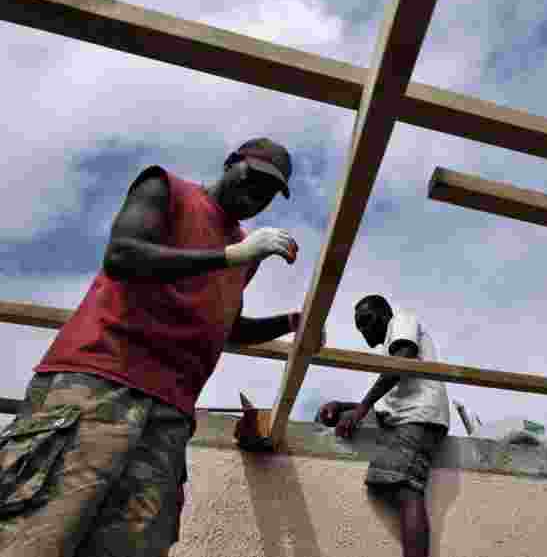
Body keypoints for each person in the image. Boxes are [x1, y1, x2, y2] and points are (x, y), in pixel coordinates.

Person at [0, 138, 316, 557]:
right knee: (35, 533)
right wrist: (229, 254)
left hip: (168, 416)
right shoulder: (166, 190)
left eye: (270, 190)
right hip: (99, 385)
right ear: (230, 164)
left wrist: (291, 324)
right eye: (253, 177)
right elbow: (123, 255)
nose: (257, 193)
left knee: (131, 547)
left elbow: (226, 327)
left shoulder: (244, 255)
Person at [317, 295, 450, 557]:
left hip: (419, 418)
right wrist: (344, 406)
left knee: (406, 487)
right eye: (358, 325)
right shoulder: (387, 357)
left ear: (384, 313)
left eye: (366, 320)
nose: (363, 329)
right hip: (408, 419)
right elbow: (386, 401)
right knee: (389, 482)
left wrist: (361, 408)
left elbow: (403, 359)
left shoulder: (402, 322)